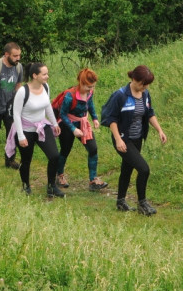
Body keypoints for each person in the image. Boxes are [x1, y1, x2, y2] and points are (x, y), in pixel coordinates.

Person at [101, 65, 168, 216]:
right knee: (144, 169)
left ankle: (120, 201)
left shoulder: (145, 94)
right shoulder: (120, 95)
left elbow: (150, 113)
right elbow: (111, 119)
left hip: (138, 138)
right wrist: (118, 140)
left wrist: (160, 130)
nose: (145, 87)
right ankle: (142, 203)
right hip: (123, 139)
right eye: (142, 84)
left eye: (147, 84)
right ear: (134, 79)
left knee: (127, 168)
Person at [5, 62, 63, 197]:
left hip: (42, 126)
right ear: (35, 75)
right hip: (25, 129)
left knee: (54, 156)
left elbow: (47, 105)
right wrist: (21, 136)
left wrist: (54, 123)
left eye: (47, 73)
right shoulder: (22, 91)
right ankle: (26, 186)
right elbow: (16, 115)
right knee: (26, 160)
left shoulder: (46, 87)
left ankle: (51, 186)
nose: (47, 76)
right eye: (44, 74)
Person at [55, 68, 108, 191]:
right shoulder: (70, 96)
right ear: (81, 83)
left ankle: (93, 180)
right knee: (65, 150)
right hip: (67, 124)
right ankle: (59, 175)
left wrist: (94, 118)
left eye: (93, 86)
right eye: (88, 86)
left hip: (83, 123)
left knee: (93, 148)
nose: (91, 89)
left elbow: (90, 104)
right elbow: (62, 114)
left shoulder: (90, 92)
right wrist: (73, 129)